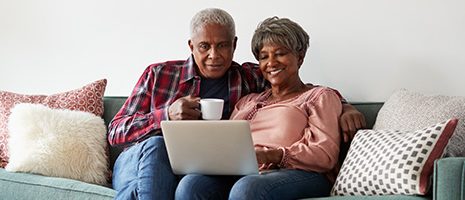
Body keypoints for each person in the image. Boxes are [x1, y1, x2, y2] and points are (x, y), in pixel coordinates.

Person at [108, 8, 365, 200]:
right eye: (204, 46)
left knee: (190, 184)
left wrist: (347, 106)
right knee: (158, 144)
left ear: (234, 45)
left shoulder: (248, 79)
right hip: (139, 158)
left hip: (254, 170)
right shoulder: (159, 74)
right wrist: (164, 115)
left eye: (222, 46)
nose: (214, 55)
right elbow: (115, 132)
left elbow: (305, 92)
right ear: (191, 46)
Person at [173, 16, 343, 200]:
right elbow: (228, 145)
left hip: (302, 173)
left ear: (300, 57)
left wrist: (271, 155)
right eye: (264, 56)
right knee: (192, 185)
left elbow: (325, 155)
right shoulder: (247, 101)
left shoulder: (318, 97)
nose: (271, 62)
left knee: (246, 189)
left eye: (280, 53)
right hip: (247, 173)